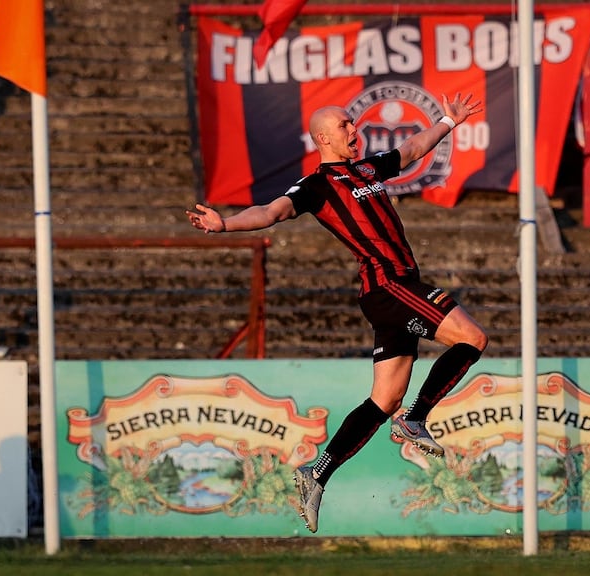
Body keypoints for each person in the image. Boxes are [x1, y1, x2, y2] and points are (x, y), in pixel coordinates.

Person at [185, 93, 488, 534]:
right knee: (472, 338)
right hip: (390, 285)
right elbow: (272, 211)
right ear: (324, 138)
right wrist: (225, 224)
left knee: (384, 400)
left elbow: (412, 150)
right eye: (346, 125)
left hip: (387, 292)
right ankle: (418, 419)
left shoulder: (368, 168)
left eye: (353, 124)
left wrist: (447, 121)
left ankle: (317, 473)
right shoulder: (317, 185)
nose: (354, 130)